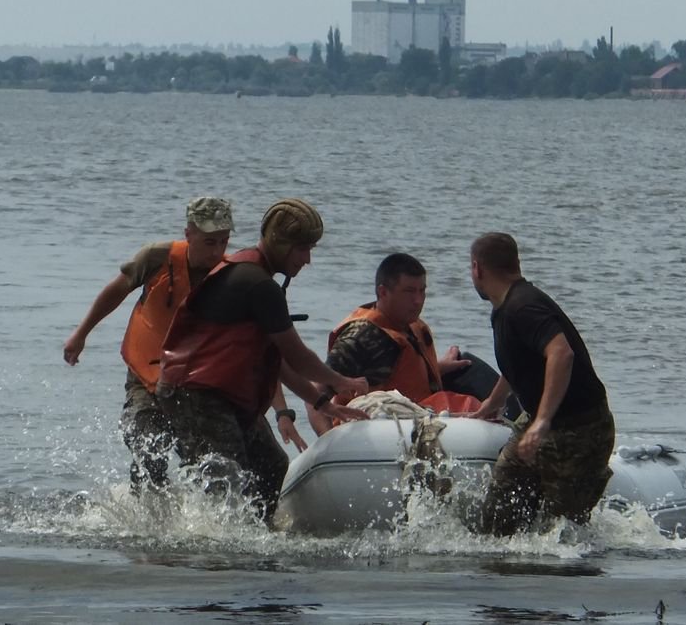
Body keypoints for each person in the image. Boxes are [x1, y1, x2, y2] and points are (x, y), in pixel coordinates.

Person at [63, 197, 305, 494]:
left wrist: (281, 411)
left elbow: (259, 350)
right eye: (208, 242)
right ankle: (149, 515)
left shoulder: (233, 277)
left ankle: (244, 520)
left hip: (199, 387)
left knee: (266, 462)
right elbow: (117, 289)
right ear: (188, 233)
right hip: (146, 380)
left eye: (223, 242)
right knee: (149, 444)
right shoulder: (157, 258)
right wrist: (81, 334)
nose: (216, 252)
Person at [155, 198, 369, 523]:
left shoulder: (256, 278)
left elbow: (276, 360)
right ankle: (215, 552)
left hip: (220, 396)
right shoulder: (255, 283)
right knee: (228, 478)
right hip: (194, 395)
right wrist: (343, 382)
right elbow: (298, 355)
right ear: (280, 244)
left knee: (272, 466)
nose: (308, 259)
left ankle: (259, 536)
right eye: (302, 249)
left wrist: (322, 402)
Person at [469, 232, 615, 535]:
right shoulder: (504, 308)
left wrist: (543, 421)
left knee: (561, 533)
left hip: (581, 430)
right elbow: (520, 363)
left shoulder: (523, 306)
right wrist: (492, 404)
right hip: (538, 426)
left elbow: (561, 354)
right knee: (497, 524)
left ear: (477, 269)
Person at [307, 252, 473, 436]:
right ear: (383, 292)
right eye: (409, 291)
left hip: (419, 422)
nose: (418, 300)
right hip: (374, 434)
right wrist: (327, 440)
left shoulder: (410, 325)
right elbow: (315, 392)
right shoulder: (363, 336)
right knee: (465, 405)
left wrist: (436, 367)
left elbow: (400, 374)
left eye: (422, 290)